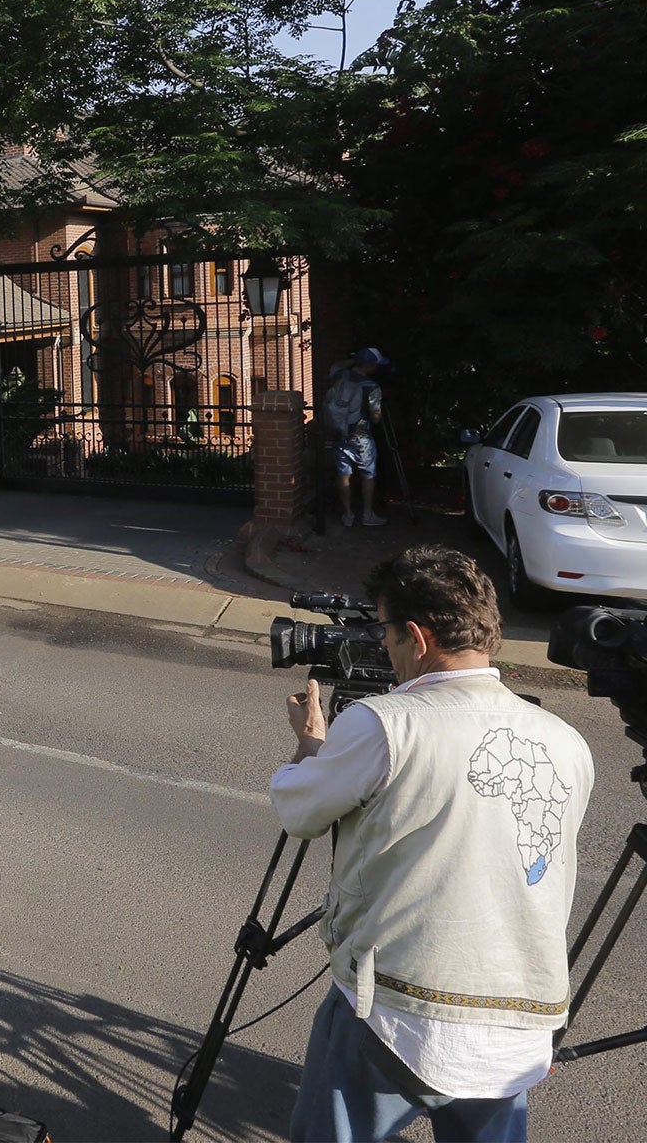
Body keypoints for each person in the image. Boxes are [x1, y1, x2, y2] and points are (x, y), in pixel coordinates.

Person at [271, 545, 594, 1143]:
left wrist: (313, 744)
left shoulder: (383, 723)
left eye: (388, 632)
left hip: (397, 1015)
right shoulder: (567, 741)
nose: (386, 648)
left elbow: (299, 808)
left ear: (416, 637)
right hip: (520, 1023)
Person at [323, 347, 390, 527]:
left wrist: (354, 360)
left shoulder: (339, 376)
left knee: (343, 474)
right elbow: (375, 417)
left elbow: (335, 365)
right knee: (368, 474)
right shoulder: (372, 387)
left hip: (339, 433)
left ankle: (348, 514)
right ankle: (367, 514)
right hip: (361, 436)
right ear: (370, 366)